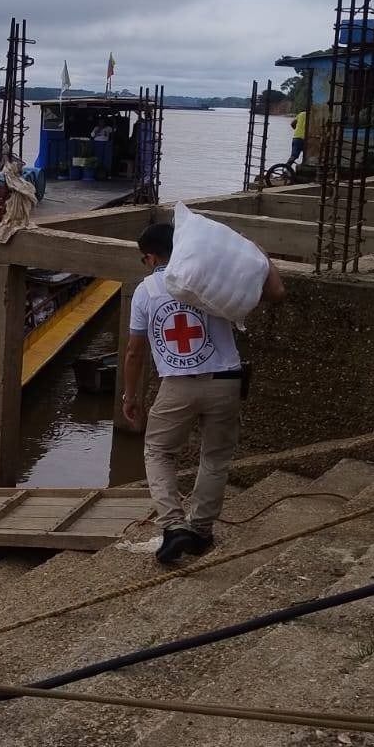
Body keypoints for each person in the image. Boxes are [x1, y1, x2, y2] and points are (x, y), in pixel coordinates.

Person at [122, 220, 286, 566]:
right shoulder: (209, 279)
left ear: (151, 258)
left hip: (178, 385)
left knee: (158, 452)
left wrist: (130, 396)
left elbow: (135, 352)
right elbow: (276, 294)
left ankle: (173, 527)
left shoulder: (147, 291)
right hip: (227, 381)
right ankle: (200, 532)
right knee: (215, 457)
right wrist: (260, 256)